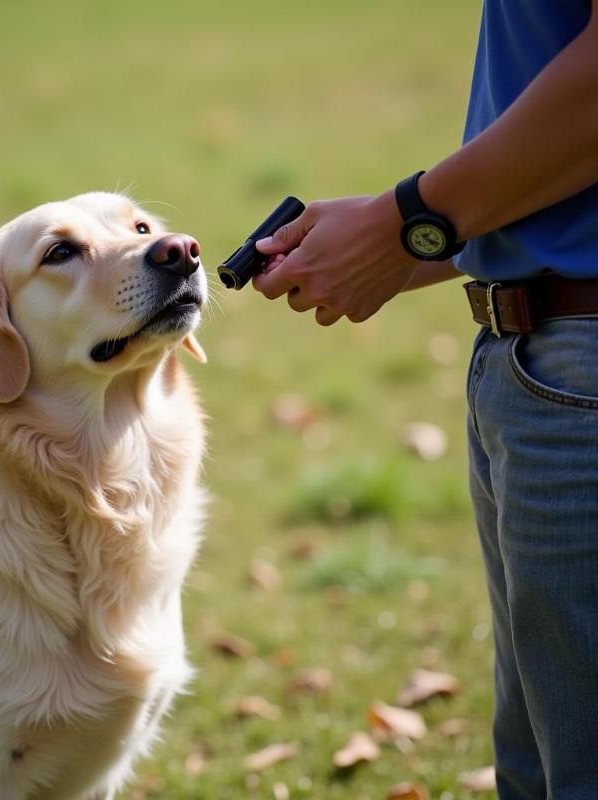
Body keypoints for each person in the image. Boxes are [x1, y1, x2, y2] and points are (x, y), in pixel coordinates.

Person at [251, 2, 598, 798]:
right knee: (539, 770)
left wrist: (406, 220)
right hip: (532, 359)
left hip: (581, 365)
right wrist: (401, 236)